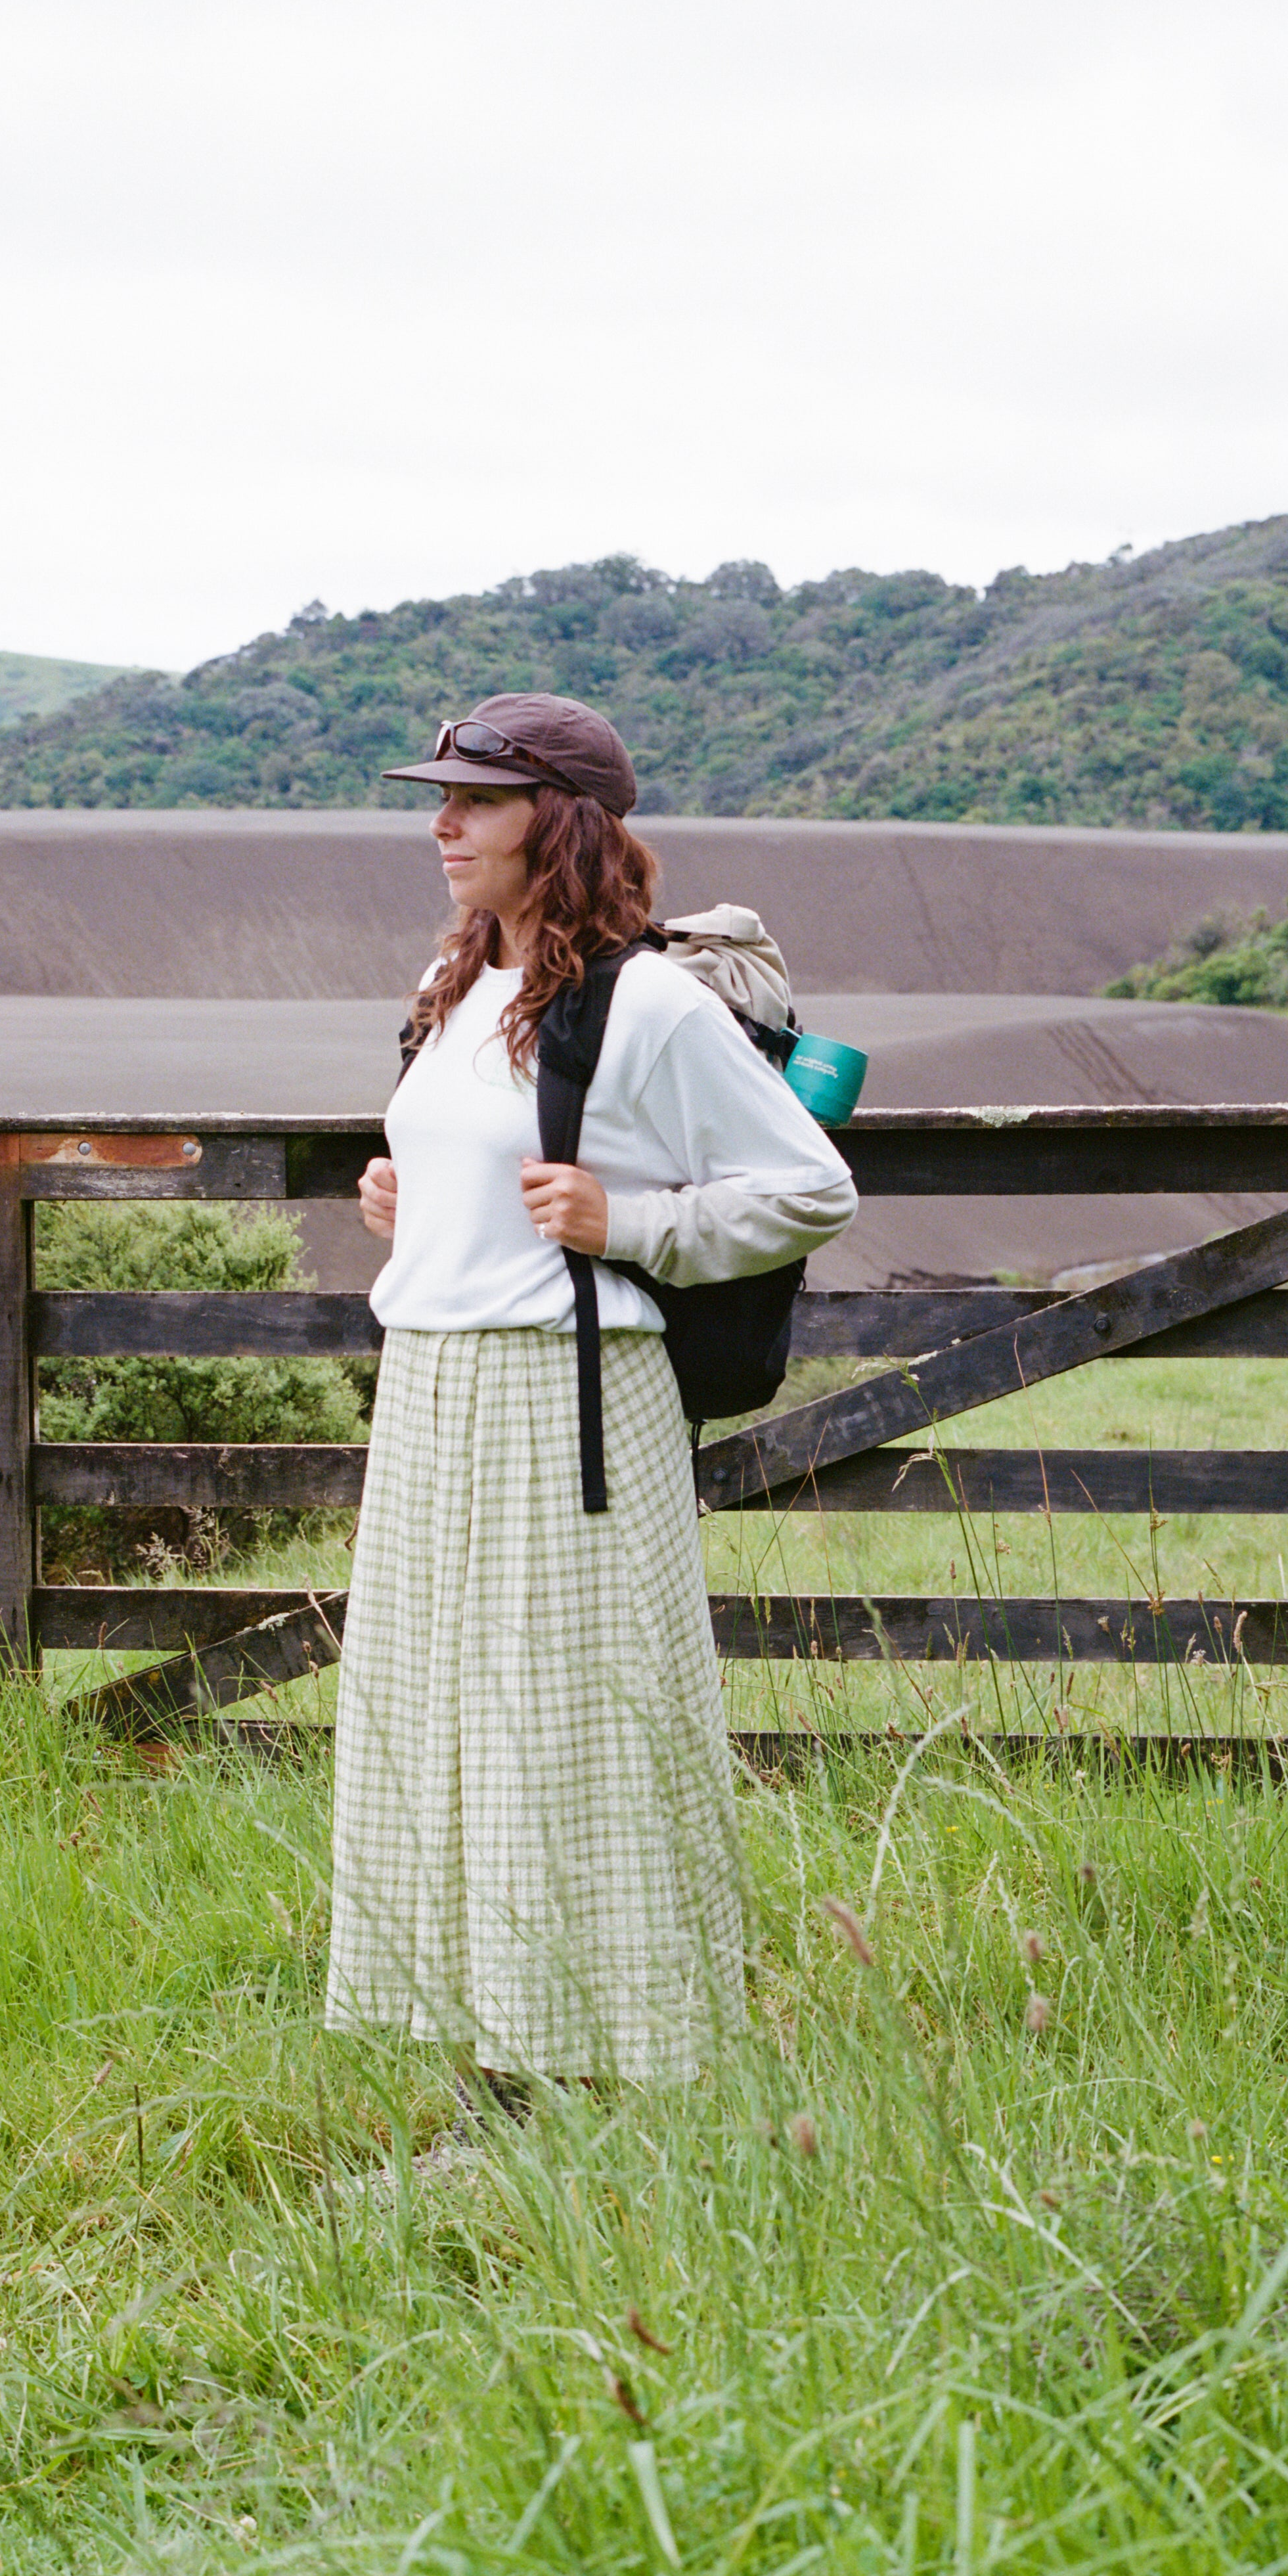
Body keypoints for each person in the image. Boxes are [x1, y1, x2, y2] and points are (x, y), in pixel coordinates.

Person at [324, 689, 858, 2122]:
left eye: (474, 803)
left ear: (554, 825)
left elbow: (812, 1186)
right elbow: (480, 1163)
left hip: (565, 1404)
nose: (440, 825)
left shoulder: (649, 1000)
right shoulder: (461, 987)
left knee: (557, 1747)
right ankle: (493, 2076)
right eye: (439, 799)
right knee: (437, 1735)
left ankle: (569, 2094)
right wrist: (403, 1196)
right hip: (436, 1390)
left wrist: (632, 1222)